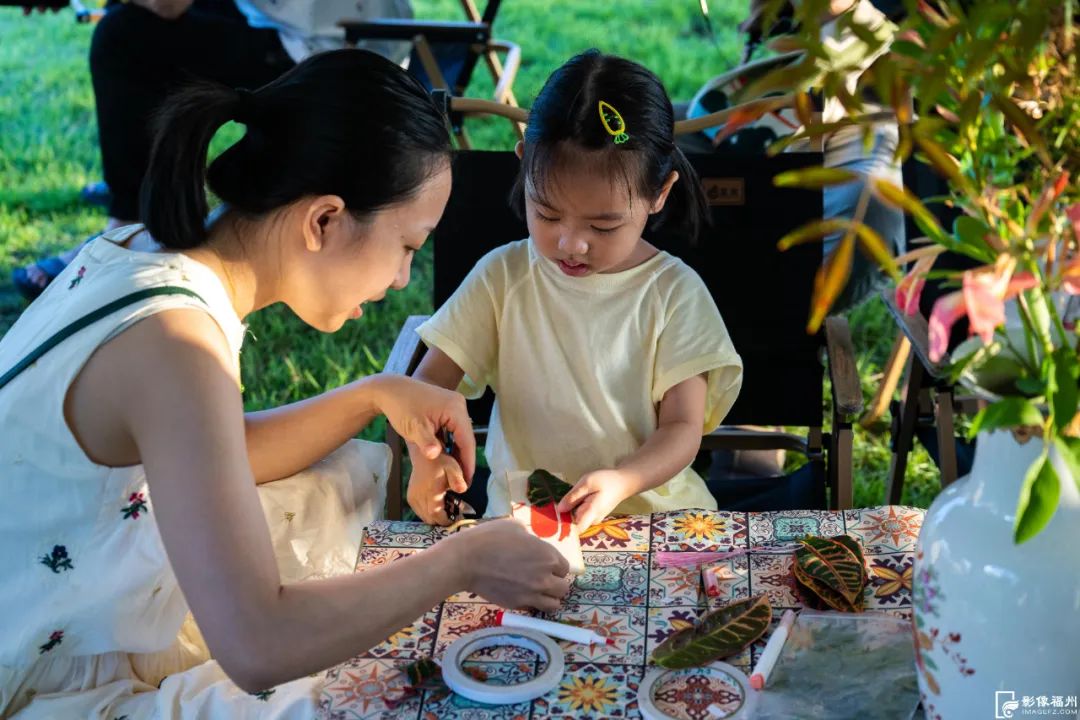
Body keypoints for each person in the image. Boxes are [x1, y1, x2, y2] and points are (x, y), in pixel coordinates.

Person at [0, 49, 570, 718]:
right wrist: (462, 562)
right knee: (362, 694)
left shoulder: (142, 252)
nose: (398, 281)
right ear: (323, 220)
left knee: (343, 480)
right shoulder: (175, 341)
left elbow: (210, 454)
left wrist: (375, 394)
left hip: (59, 594)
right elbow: (256, 645)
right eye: (408, 247)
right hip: (32, 669)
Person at [405, 50, 744, 530]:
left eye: (604, 226)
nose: (571, 243)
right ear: (523, 168)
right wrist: (425, 459)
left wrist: (623, 480)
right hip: (528, 522)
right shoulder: (503, 278)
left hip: (652, 520)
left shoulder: (673, 293)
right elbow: (424, 389)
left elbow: (682, 427)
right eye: (546, 214)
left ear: (660, 193)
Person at [11, 0, 412, 299]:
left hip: (327, 43)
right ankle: (138, 183)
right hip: (326, 20)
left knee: (124, 35)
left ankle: (128, 222)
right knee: (132, 19)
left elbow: (165, 5)